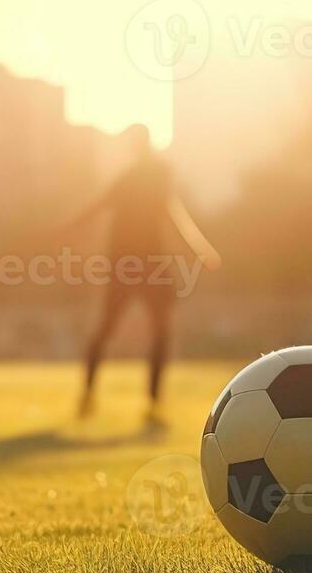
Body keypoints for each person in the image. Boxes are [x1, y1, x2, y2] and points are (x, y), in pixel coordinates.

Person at [65, 125, 220, 426]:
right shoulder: (130, 178)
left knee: (159, 331)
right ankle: (91, 393)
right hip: (127, 264)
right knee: (110, 328)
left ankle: (152, 402)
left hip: (150, 264)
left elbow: (171, 211)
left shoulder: (157, 173)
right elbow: (99, 208)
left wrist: (199, 247)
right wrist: (67, 229)